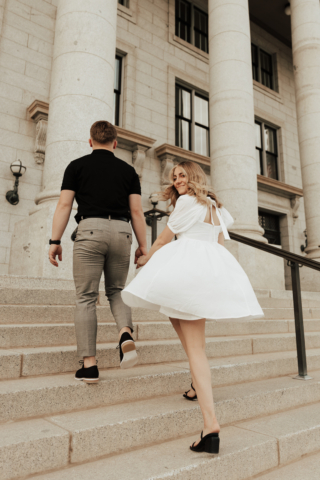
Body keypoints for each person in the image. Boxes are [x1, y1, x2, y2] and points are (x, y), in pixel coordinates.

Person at [121, 161, 264, 453]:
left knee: (195, 346)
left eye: (182, 175)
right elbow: (220, 241)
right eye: (174, 178)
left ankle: (210, 424)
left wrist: (147, 258)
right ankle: (197, 385)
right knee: (175, 316)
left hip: (189, 271)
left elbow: (165, 236)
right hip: (205, 270)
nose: (177, 181)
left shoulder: (187, 202)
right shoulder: (215, 206)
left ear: (194, 176)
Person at [48, 121, 147, 383]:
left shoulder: (77, 166)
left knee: (86, 297)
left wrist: (54, 240)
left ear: (90, 141)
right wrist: (143, 247)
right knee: (117, 290)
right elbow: (137, 212)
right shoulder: (129, 171)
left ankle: (89, 365)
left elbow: (64, 205)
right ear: (115, 143)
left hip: (90, 229)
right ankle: (125, 333)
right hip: (122, 231)